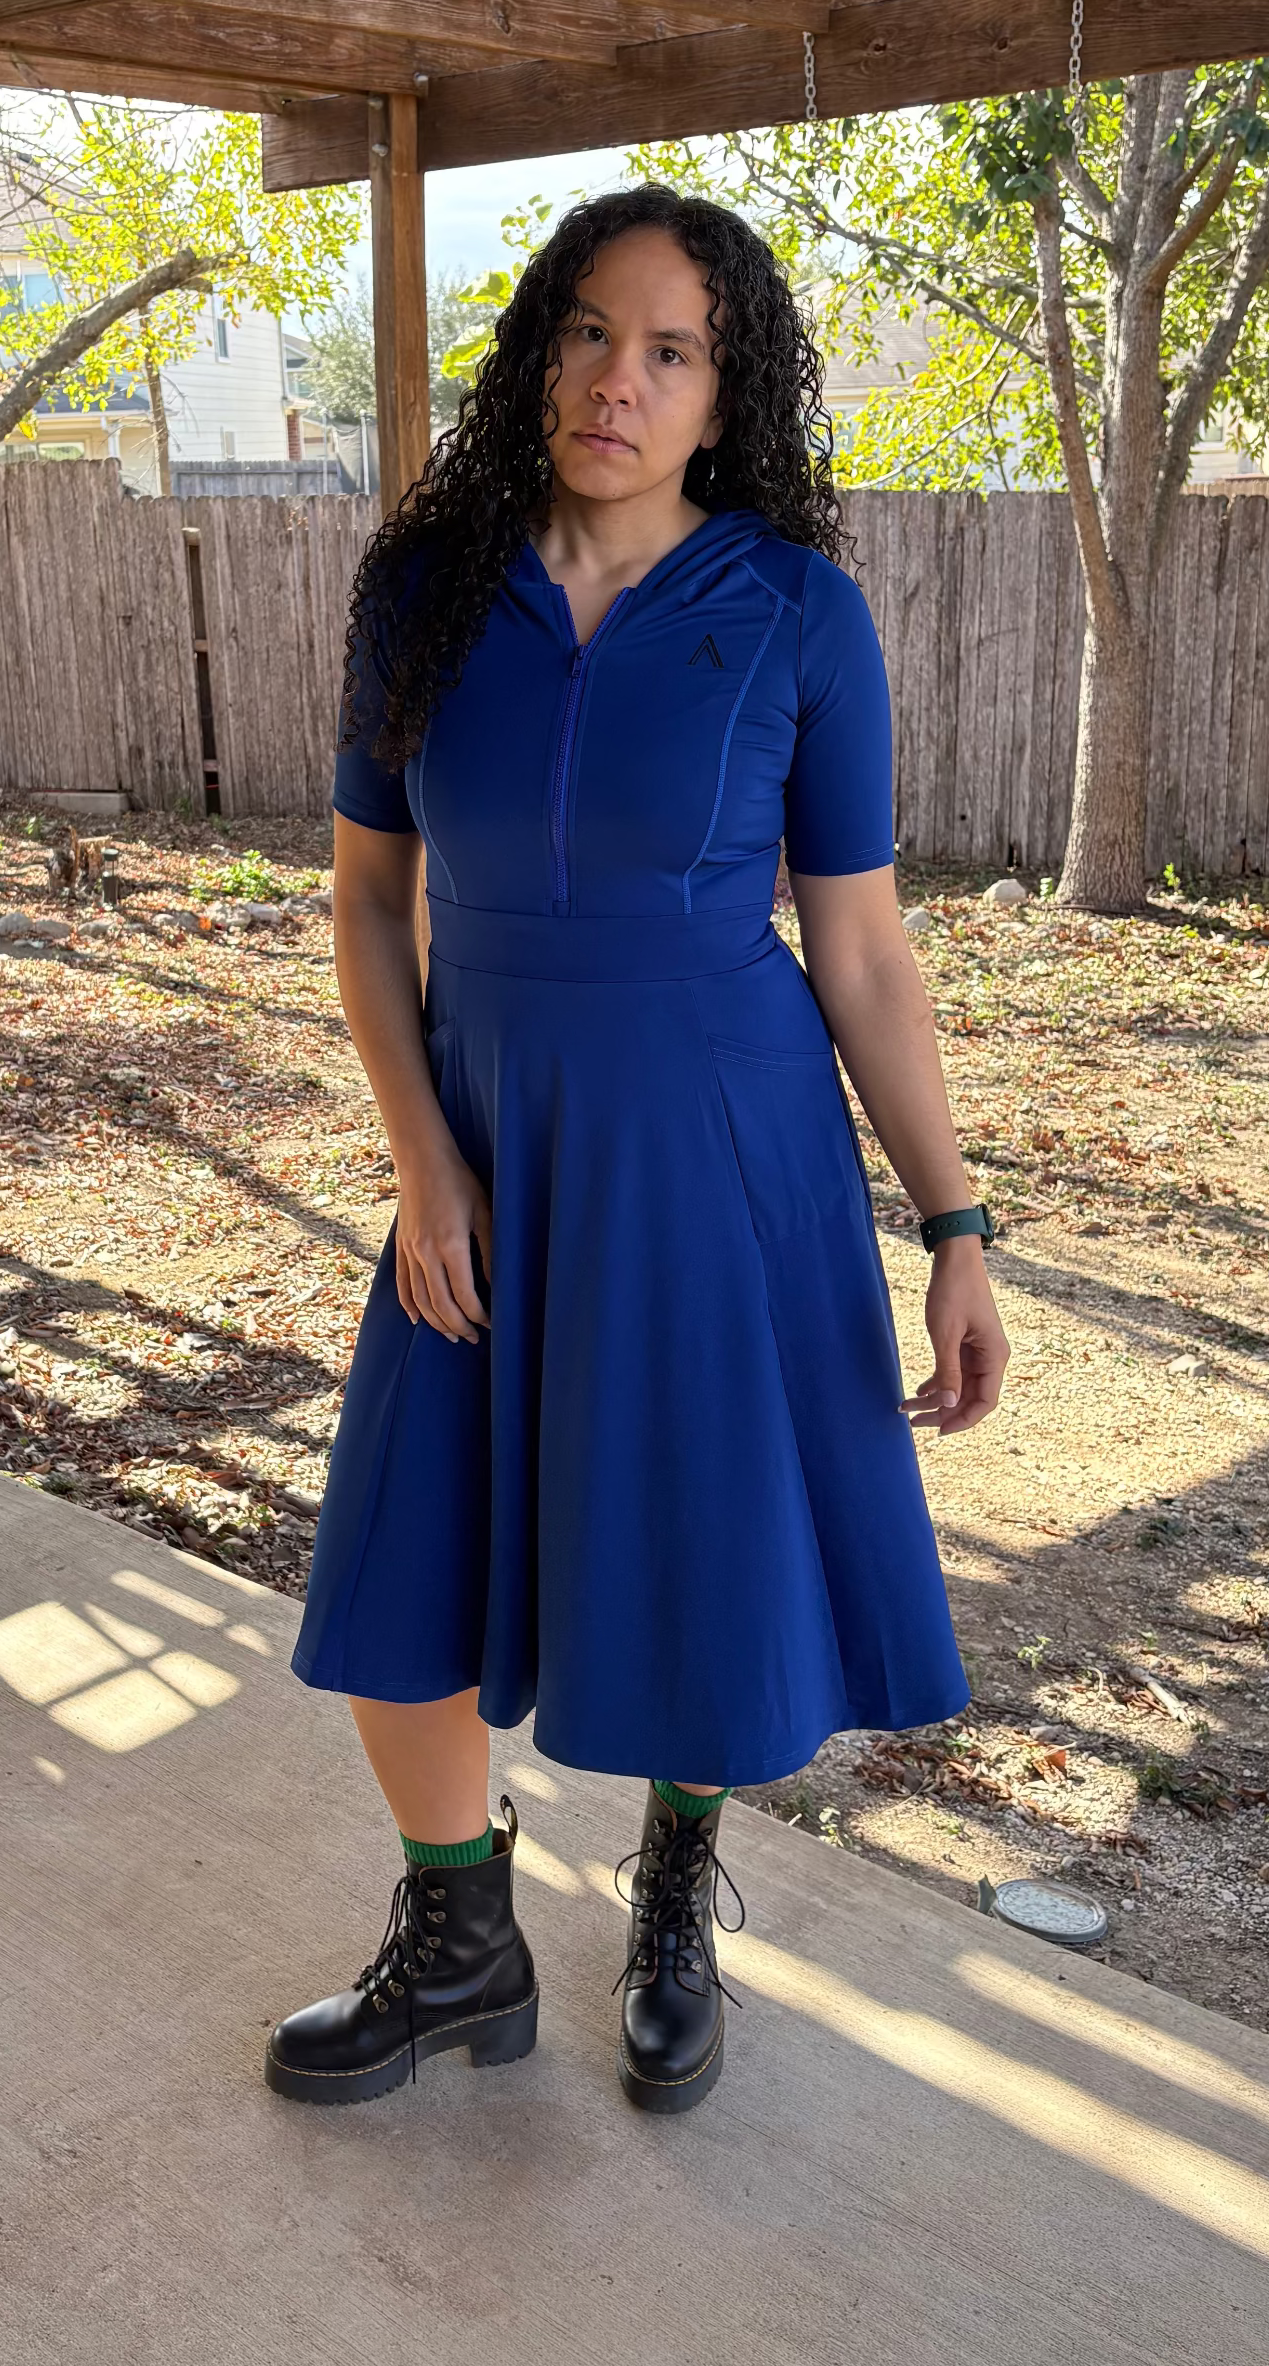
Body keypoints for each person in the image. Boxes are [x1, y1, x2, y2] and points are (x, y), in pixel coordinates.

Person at [264, 185, 1008, 2117]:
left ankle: (674, 1881)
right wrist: (424, 1161)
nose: (622, 378)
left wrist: (956, 1221)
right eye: (593, 331)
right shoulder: (419, 595)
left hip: (723, 1139)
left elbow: (857, 946)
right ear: (542, 354)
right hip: (488, 1127)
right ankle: (461, 1934)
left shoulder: (794, 614)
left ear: (722, 388)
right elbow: (365, 907)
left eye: (673, 349)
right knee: (400, 1557)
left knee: (705, 1538)